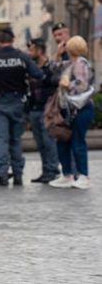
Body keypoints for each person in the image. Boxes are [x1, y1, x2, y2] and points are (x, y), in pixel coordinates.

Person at [0, 28, 43, 186]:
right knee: (15, 140)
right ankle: (18, 174)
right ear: (13, 39)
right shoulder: (22, 57)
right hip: (17, 103)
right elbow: (38, 74)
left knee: (1, 140)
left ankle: (1, 174)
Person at [50, 36, 95, 189]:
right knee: (63, 140)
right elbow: (54, 68)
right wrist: (57, 53)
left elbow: (82, 85)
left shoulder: (81, 63)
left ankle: (83, 176)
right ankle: (67, 175)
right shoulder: (71, 63)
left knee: (77, 141)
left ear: (71, 48)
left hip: (81, 108)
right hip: (70, 109)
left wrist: (67, 85)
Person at [27, 38, 61, 183]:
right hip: (34, 109)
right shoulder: (31, 67)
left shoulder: (51, 67)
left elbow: (55, 82)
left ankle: (53, 171)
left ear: (39, 51)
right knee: (40, 143)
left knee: (49, 142)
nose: (29, 53)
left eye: (31, 50)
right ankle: (46, 171)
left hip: (47, 110)